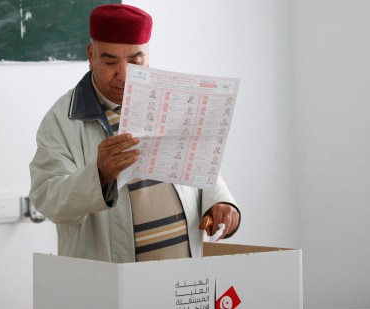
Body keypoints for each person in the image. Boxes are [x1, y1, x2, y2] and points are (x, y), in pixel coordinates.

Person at [29, 4, 240, 263]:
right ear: (90, 55)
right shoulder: (61, 120)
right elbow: (48, 199)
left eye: (135, 61)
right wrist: (99, 175)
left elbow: (200, 165)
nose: (124, 74)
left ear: (147, 57)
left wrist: (220, 203)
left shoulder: (175, 100)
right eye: (109, 61)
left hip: (184, 279)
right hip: (111, 286)